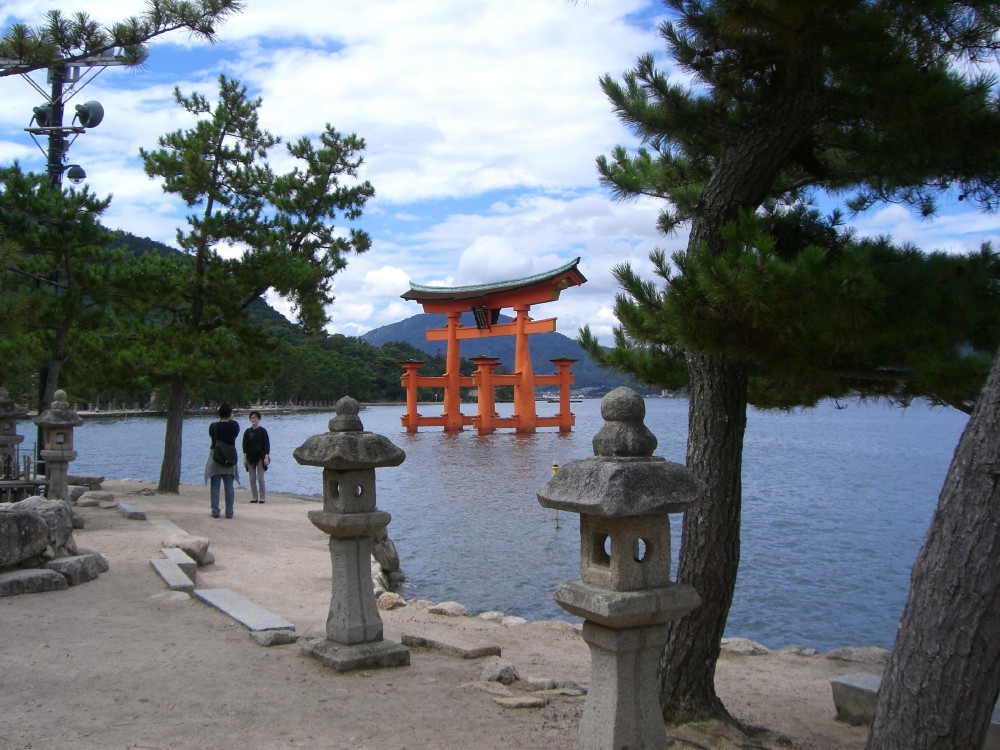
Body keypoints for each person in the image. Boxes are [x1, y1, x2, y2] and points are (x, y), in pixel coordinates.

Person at [205, 403, 240, 518]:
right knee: (229, 486)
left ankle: (215, 511)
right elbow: (235, 430)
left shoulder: (213, 426)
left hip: (216, 457)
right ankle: (229, 512)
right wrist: (231, 418)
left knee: (215, 486)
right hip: (229, 457)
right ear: (230, 414)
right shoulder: (234, 426)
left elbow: (212, 437)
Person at [242, 410, 270, 503]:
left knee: (261, 479)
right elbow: (244, 446)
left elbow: (266, 445)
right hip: (250, 457)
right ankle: (254, 497)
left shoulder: (263, 431)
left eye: (255, 418)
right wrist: (244, 458)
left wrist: (266, 457)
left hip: (260, 457)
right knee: (252, 478)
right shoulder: (247, 432)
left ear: (259, 419)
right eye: (252, 418)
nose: (253, 419)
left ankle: (262, 497)